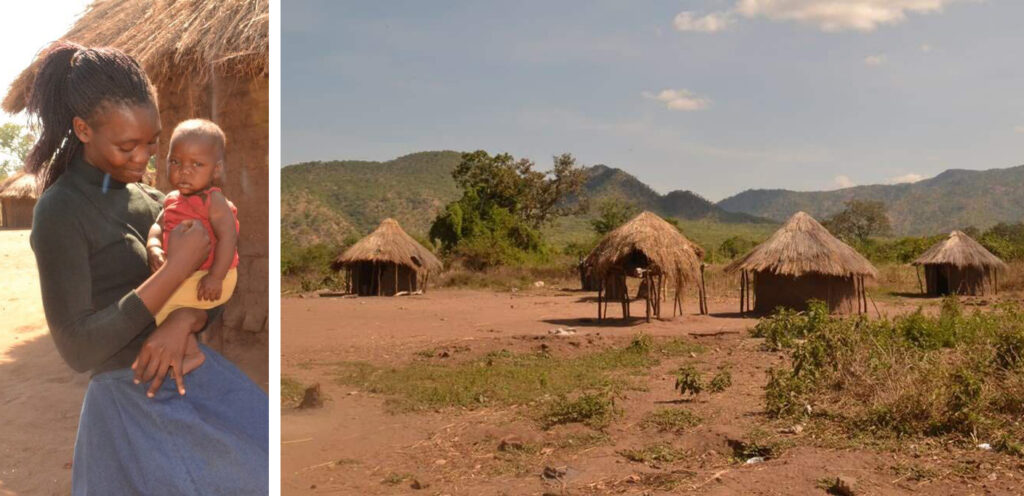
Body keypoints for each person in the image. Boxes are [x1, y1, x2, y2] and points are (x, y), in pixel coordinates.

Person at [26, 41, 267, 495]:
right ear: (82, 129)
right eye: (127, 146)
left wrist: (185, 320)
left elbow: (213, 285)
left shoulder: (160, 201)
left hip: (193, 377)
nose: (145, 158)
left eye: (153, 142)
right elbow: (77, 348)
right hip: (128, 401)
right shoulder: (61, 211)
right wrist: (172, 273)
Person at [146, 119, 240, 327]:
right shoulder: (171, 199)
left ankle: (185, 353)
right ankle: (188, 353)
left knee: (157, 309)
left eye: (197, 164)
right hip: (185, 275)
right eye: (175, 162)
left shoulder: (213, 201)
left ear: (216, 170)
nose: (184, 170)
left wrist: (216, 277)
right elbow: (158, 226)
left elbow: (229, 237)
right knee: (162, 311)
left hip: (214, 274)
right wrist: (153, 246)